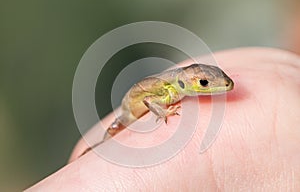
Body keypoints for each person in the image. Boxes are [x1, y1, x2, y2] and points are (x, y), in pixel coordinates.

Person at [27, 48, 300, 191]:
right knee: (112, 131)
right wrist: (165, 112)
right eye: (205, 83)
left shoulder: (181, 83)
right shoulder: (167, 92)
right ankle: (93, 149)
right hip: (129, 110)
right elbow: (148, 101)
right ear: (187, 84)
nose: (215, 86)